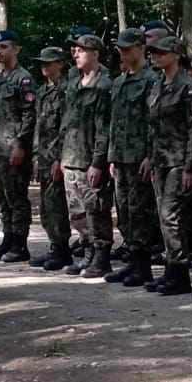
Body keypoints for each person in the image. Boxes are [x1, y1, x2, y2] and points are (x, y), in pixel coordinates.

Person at [142, 35, 192, 295]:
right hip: (160, 160)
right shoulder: (158, 85)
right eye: (153, 52)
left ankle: (180, 272)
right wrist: (149, 156)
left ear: (177, 55)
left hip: (178, 161)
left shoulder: (188, 87)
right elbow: (152, 126)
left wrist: (190, 166)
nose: (156, 56)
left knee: (171, 215)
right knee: (163, 216)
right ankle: (171, 269)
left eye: (162, 52)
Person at [56, 34, 113, 278]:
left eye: (82, 50)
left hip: (89, 160)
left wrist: (98, 162)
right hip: (71, 159)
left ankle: (101, 257)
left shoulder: (103, 86)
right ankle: (88, 253)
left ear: (95, 54)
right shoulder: (74, 85)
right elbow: (66, 124)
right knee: (77, 212)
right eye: (75, 50)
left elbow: (104, 129)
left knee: (96, 210)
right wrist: (62, 157)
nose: (76, 54)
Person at [106, 28, 159, 289]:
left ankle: (143, 266)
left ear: (141, 48)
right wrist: (111, 156)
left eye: (128, 48)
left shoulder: (152, 80)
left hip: (139, 157)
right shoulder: (119, 82)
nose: (123, 53)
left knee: (140, 212)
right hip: (121, 157)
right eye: (121, 49)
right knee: (125, 211)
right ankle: (131, 259)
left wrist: (150, 155)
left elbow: (154, 122)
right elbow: (114, 122)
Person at [0, 29, 36, 262]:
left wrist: (21, 145)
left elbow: (29, 115)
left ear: (16, 49)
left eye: (4, 47)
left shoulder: (23, 79)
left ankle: (20, 244)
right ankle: (7, 239)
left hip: (13, 149)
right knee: (3, 199)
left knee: (17, 198)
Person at [33, 47, 72, 269]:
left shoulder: (66, 90)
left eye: (49, 62)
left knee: (57, 205)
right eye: (42, 62)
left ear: (60, 64)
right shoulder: (41, 91)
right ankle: (53, 246)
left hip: (56, 156)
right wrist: (35, 155)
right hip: (43, 156)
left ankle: (62, 249)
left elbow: (65, 127)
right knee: (46, 206)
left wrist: (59, 157)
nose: (44, 66)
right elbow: (38, 126)